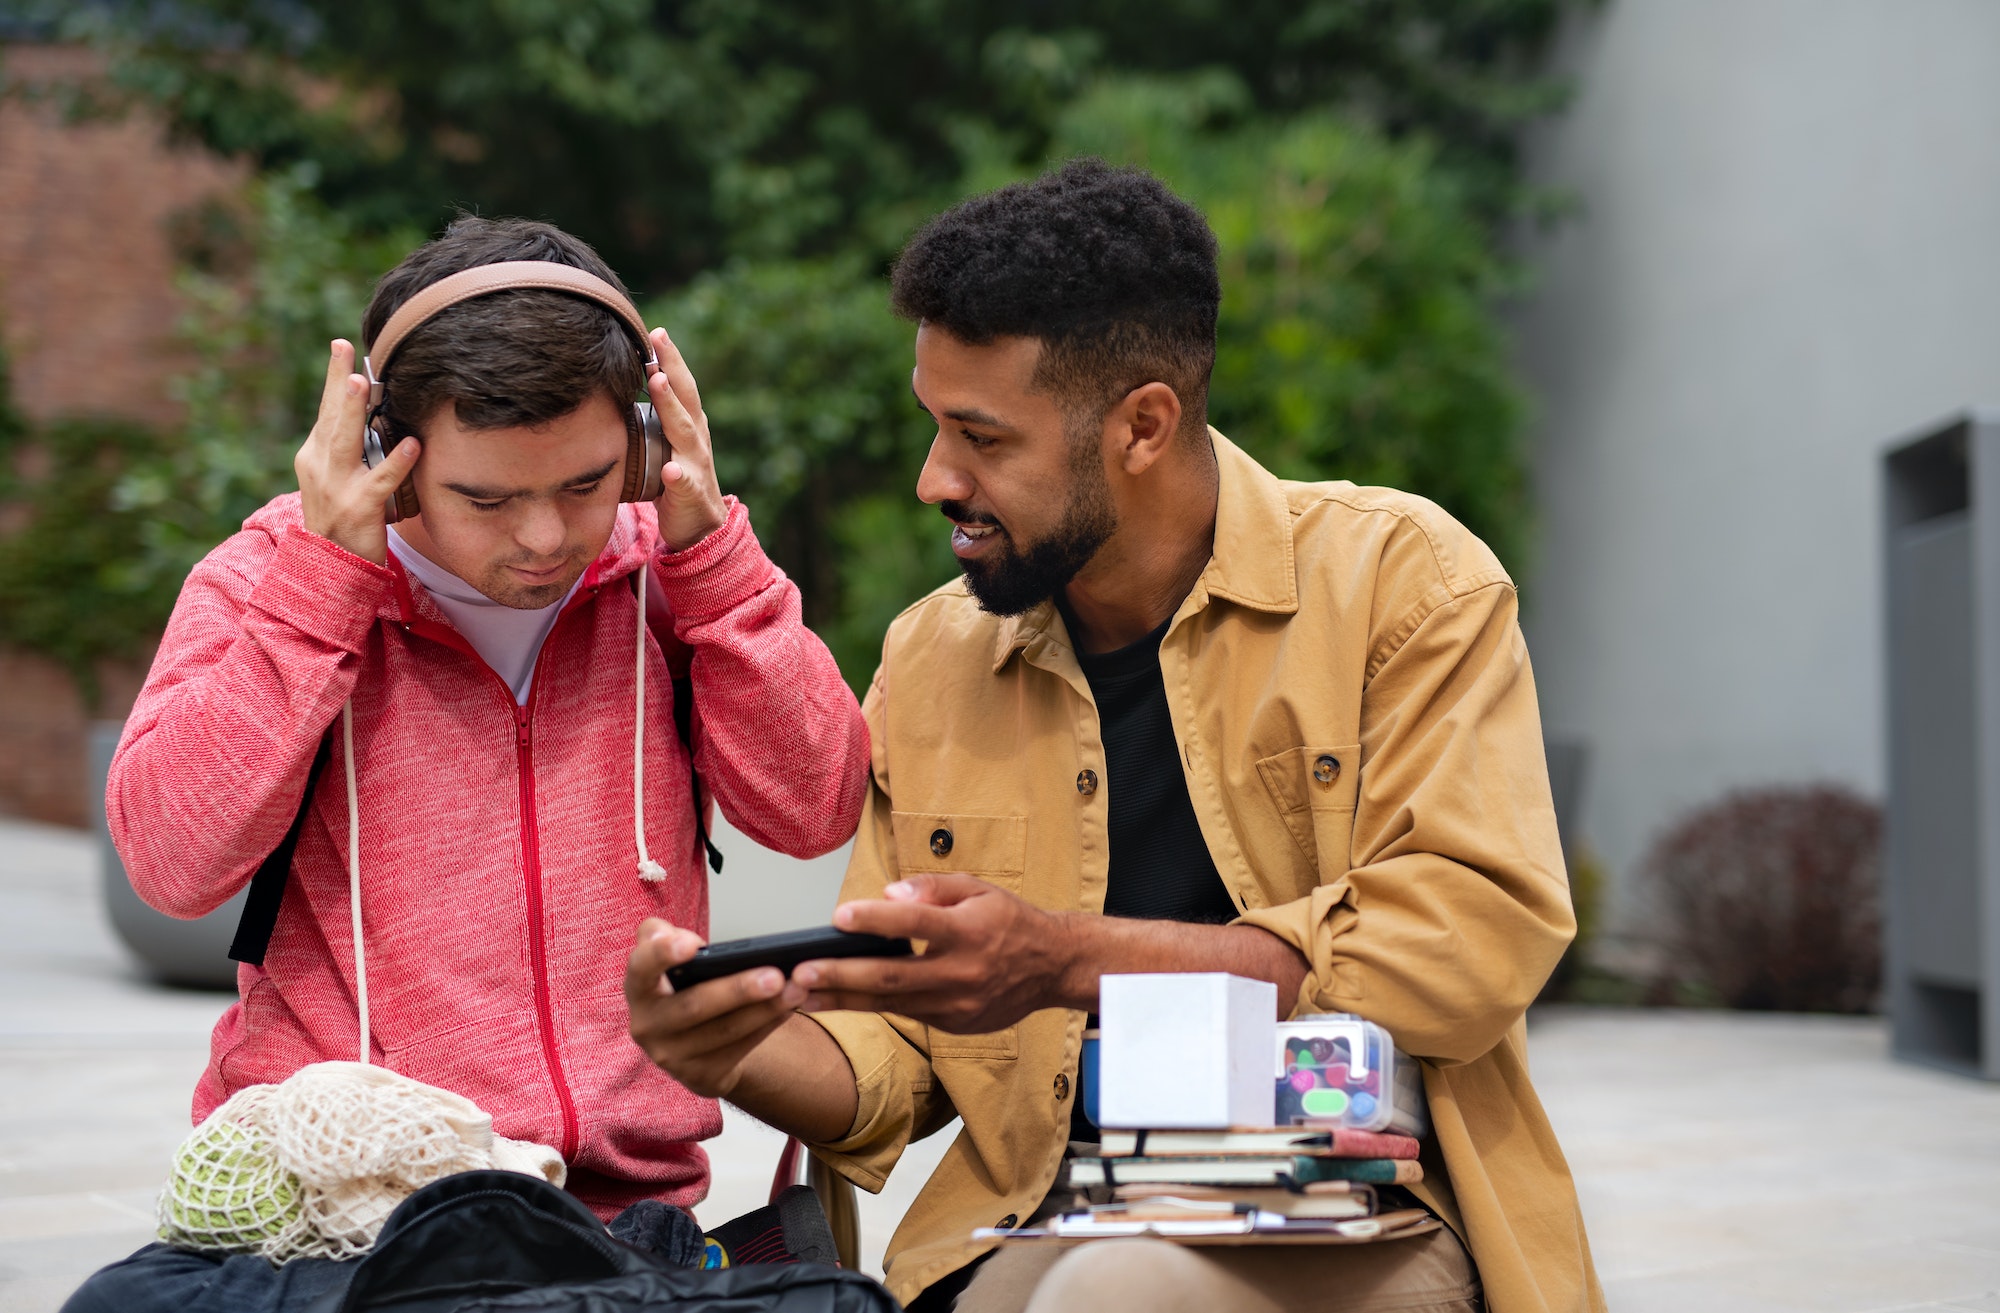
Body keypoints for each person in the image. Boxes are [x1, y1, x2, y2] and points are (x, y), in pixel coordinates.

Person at [626, 160, 1605, 1313]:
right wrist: (724, 1046)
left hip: (1353, 1212)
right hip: (1028, 1220)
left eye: (981, 436)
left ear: (1142, 424)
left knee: (1117, 1292)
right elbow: (887, 1067)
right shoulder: (934, 657)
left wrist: (1066, 957)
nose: (936, 476)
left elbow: (1471, 940)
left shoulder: (1399, 582)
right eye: (931, 422)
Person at [75, 217, 869, 1305]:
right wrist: (319, 589)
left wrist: (710, 557)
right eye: (487, 498)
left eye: (586, 483)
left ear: (643, 442)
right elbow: (171, 862)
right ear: (383, 463)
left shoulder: (675, 577)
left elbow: (816, 805)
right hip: (339, 1216)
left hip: (614, 1220)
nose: (545, 536)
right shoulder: (270, 577)